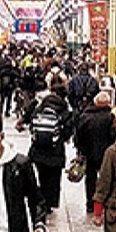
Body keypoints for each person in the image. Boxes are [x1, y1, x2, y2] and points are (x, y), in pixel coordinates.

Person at [27, 74, 73, 214]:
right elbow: (68, 129)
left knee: (42, 176)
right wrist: (62, 138)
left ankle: (41, 202)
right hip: (55, 151)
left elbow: (31, 125)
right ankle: (49, 202)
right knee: (53, 179)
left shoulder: (41, 108)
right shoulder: (64, 110)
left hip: (39, 150)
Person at [73, 89, 116, 224]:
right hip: (106, 153)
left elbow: (78, 135)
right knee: (106, 179)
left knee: (90, 179)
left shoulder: (85, 116)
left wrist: (80, 150)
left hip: (89, 152)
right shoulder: (110, 117)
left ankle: (90, 204)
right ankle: (104, 203)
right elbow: (113, 136)